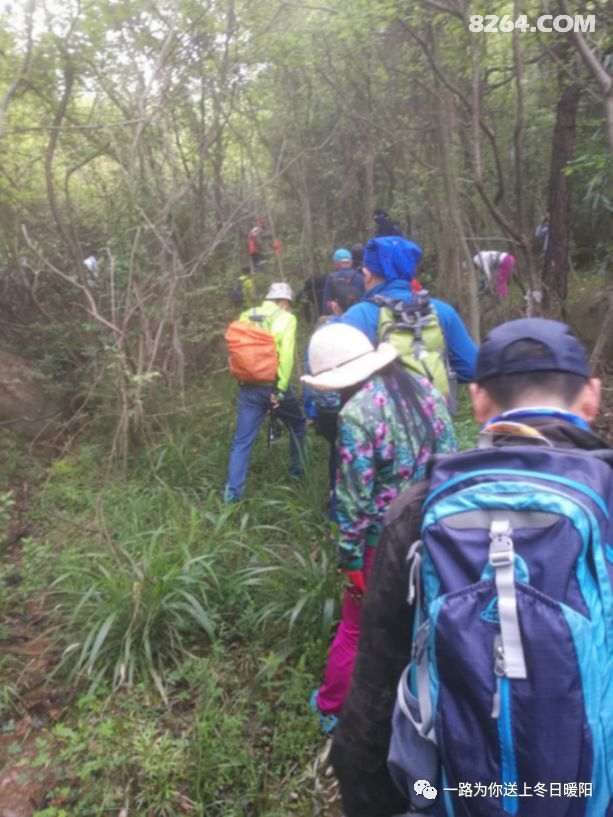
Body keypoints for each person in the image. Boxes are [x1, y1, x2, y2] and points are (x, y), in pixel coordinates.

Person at [330, 317, 610, 817]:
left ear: (478, 401)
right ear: (592, 396)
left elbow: (376, 685)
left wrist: (367, 796)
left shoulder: (418, 510)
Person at [302, 323, 456, 734]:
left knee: (356, 627)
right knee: (421, 619)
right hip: (434, 527)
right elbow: (450, 457)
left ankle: (333, 707)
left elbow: (354, 496)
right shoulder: (424, 389)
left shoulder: (356, 413)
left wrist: (350, 559)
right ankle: (420, 705)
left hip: (381, 541)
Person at [338, 236, 477, 385]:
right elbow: (473, 368)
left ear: (368, 275)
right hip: (438, 399)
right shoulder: (441, 311)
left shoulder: (359, 315)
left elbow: (339, 376)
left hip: (380, 400)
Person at [223, 282, 306, 502]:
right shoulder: (287, 318)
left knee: (242, 441)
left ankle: (231, 496)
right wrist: (279, 391)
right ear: (285, 302)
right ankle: (297, 474)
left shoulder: (246, 314)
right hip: (272, 386)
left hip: (248, 386)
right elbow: (286, 357)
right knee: (298, 425)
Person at [303, 283, 363, 521]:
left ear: (334, 305)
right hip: (359, 404)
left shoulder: (323, 331)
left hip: (327, 407)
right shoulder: (363, 328)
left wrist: (310, 412)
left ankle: (335, 505)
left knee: (336, 451)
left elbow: (311, 371)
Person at [321, 248, 365, 315]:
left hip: (338, 317)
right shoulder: (360, 278)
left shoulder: (331, 279)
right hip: (357, 316)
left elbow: (327, 303)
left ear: (336, 263)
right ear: (351, 262)